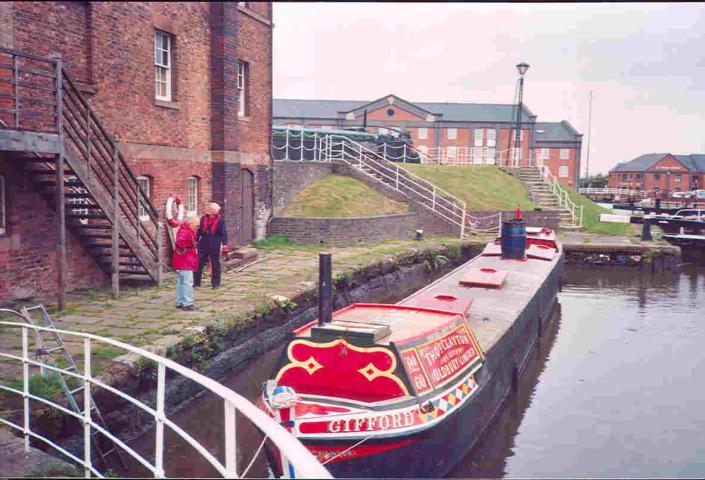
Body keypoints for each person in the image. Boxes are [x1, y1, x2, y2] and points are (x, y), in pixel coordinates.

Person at [194, 202, 228, 289]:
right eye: (208, 208)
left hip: (214, 243)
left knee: (215, 263)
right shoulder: (203, 218)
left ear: (214, 211)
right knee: (199, 262)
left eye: (210, 209)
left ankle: (215, 284)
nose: (207, 210)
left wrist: (225, 244)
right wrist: (196, 240)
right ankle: (196, 282)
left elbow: (223, 233)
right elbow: (200, 230)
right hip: (204, 242)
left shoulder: (220, 221)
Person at [173, 215, 199, 310]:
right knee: (188, 282)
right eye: (196, 225)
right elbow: (179, 241)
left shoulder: (186, 229)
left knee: (181, 281)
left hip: (184, 259)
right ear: (190, 223)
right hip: (185, 259)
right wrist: (189, 245)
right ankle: (188, 303)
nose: (197, 227)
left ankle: (180, 301)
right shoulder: (185, 231)